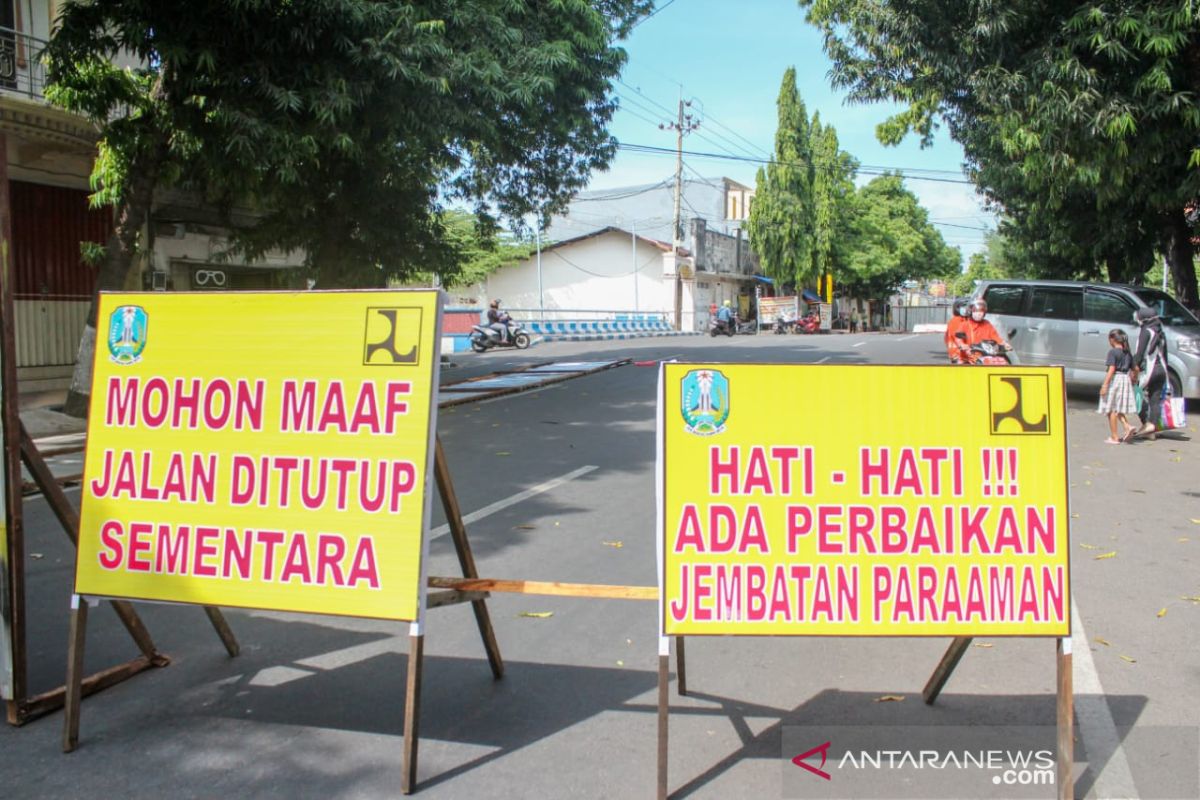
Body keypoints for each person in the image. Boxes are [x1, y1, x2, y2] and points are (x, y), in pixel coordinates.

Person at [1130, 305, 1168, 439]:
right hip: (1161, 370)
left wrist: (1133, 368)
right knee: (1155, 398)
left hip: (1151, 369)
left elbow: (1139, 354)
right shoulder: (1159, 331)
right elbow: (1165, 355)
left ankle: (1147, 423)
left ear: (1144, 318)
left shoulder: (1146, 331)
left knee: (1134, 392)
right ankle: (1152, 429)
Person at [1098, 329, 1136, 443]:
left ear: (1112, 339)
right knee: (1117, 406)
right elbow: (1136, 368)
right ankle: (1127, 426)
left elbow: (1111, 369)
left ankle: (1115, 437)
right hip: (1125, 379)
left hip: (1116, 379)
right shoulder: (1127, 352)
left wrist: (1105, 385)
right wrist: (1134, 379)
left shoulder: (1113, 352)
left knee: (1111, 409)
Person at [952, 298, 1010, 363]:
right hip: (968, 356)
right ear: (970, 311)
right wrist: (962, 344)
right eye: (976, 311)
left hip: (986, 355)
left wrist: (1004, 344)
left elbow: (995, 336)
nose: (979, 313)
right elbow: (958, 338)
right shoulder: (965, 324)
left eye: (981, 311)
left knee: (1002, 362)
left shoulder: (987, 324)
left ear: (984, 312)